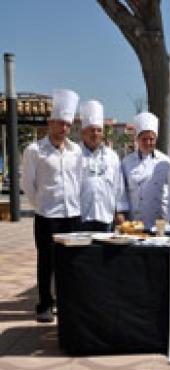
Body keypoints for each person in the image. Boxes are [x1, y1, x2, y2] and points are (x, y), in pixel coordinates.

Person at [21, 89, 82, 322]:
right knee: (46, 261)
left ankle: (66, 302)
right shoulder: (34, 151)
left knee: (69, 262)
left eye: (67, 125)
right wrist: (42, 206)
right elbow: (28, 184)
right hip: (47, 215)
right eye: (60, 124)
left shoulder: (75, 151)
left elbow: (78, 180)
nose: (64, 129)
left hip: (72, 214)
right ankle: (45, 304)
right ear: (50, 123)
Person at [78, 100, 128, 232]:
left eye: (98, 130)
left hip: (105, 217)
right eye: (91, 130)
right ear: (83, 133)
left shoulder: (112, 156)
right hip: (80, 217)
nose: (95, 133)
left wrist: (120, 212)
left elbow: (119, 187)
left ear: (102, 133)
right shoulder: (74, 155)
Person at [121, 112, 170, 229]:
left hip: (159, 222)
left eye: (151, 139)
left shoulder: (165, 162)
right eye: (144, 139)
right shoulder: (126, 162)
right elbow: (122, 193)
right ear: (137, 139)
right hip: (135, 222)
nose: (148, 143)